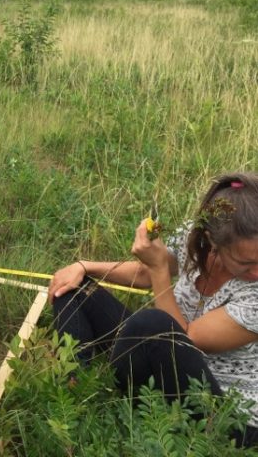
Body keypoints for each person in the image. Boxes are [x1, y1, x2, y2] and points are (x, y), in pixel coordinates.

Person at [49, 172, 258, 447]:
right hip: (167, 360)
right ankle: (77, 385)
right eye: (245, 262)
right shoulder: (196, 240)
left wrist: (159, 269)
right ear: (214, 241)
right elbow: (145, 273)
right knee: (72, 287)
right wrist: (85, 266)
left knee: (150, 324)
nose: (256, 271)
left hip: (226, 418)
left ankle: (113, 394)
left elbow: (186, 338)